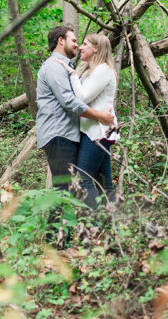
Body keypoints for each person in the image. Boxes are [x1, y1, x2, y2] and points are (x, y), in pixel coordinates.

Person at [36, 26, 114, 200]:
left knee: (69, 188)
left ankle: (100, 224)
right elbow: (69, 102)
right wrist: (100, 116)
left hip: (68, 135)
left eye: (80, 43)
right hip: (60, 134)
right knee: (70, 188)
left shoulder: (68, 68)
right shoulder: (55, 67)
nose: (77, 46)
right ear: (60, 41)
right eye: (73, 40)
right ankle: (92, 225)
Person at [53, 34, 119, 210]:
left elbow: (82, 98)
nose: (80, 47)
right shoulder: (92, 72)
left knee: (83, 180)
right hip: (96, 130)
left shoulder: (103, 70)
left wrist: (72, 73)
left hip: (97, 132)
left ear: (96, 48)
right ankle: (113, 227)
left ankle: (99, 222)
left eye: (84, 44)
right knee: (105, 184)